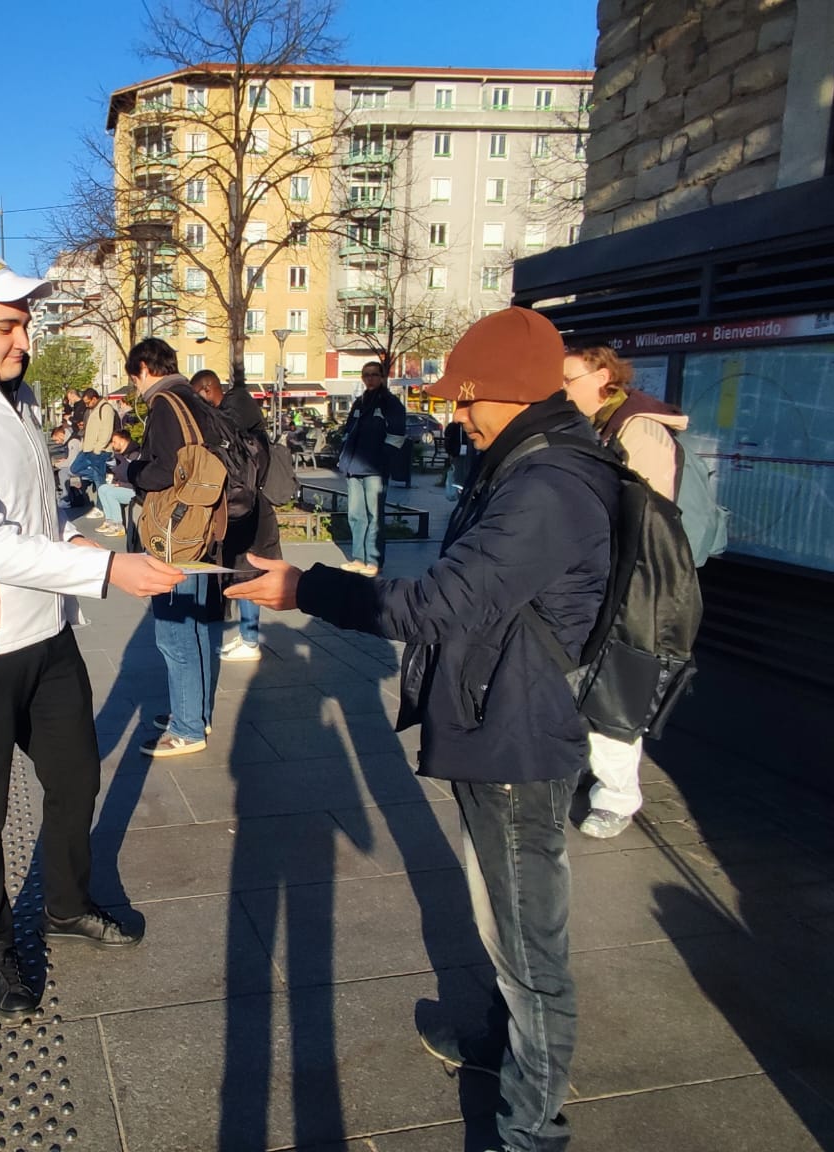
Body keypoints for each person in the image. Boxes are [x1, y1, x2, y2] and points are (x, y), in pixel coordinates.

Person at [229, 307, 615, 1152]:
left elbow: (440, 605)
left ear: (502, 393)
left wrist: (308, 590)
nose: (454, 414)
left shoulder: (546, 485)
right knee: (500, 918)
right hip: (500, 716)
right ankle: (496, 1043)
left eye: (464, 399)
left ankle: (532, 1131)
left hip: (520, 734)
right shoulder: (526, 464)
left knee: (526, 943)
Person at [0, 251, 186, 1017]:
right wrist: (106, 573)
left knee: (76, 776)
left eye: (26, 324)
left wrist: (71, 539)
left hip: (43, 632)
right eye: (7, 326)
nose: (23, 341)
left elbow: (29, 511)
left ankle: (65, 905)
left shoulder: (15, 400)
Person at [561, 345, 690, 839]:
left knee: (618, 683)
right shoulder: (597, 426)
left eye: (569, 378)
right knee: (582, 678)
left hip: (636, 580)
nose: (563, 388)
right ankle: (585, 768)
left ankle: (617, 795)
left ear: (602, 376)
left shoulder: (639, 429)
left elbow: (650, 515)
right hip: (597, 573)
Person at [122, 342, 233, 756]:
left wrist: (131, 470)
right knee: (197, 626)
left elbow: (166, 470)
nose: (136, 386)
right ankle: (195, 712)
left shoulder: (165, 404)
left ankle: (186, 728)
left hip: (175, 532)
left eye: (135, 377)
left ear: (146, 368)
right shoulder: (192, 398)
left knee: (173, 633)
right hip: (200, 526)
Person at [198, 369, 276, 663]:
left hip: (253, 506)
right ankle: (247, 636)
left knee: (249, 570)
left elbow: (224, 429)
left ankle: (251, 641)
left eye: (200, 398)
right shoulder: (232, 408)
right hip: (244, 504)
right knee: (241, 569)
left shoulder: (238, 401)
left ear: (208, 389)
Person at [336, 360, 406, 575]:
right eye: (366, 375)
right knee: (356, 514)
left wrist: (383, 459)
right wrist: (343, 454)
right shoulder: (359, 402)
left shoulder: (390, 403)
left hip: (375, 468)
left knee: (375, 515)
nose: (370, 378)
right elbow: (349, 430)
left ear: (383, 377)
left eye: (374, 374)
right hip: (353, 467)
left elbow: (397, 436)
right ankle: (359, 558)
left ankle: (374, 561)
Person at [69, 388, 119, 510]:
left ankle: (100, 508)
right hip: (87, 448)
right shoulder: (93, 410)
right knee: (74, 468)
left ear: (94, 398)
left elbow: (106, 431)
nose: (86, 405)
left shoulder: (105, 408)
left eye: (88, 402)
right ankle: (104, 476)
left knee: (99, 482)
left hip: (99, 450)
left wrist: (98, 448)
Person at [92, 428, 139, 539]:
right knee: (103, 488)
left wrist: (121, 484)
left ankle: (119, 526)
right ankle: (109, 521)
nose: (112, 445)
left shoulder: (135, 454)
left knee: (111, 493)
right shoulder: (121, 455)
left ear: (123, 440)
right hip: (125, 486)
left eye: (114, 441)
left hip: (134, 490)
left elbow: (134, 478)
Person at [443, 414, 472, 502]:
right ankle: (462, 495)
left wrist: (451, 453)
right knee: (462, 476)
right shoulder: (457, 427)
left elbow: (448, 439)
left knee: (459, 476)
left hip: (459, 454)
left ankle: (460, 494)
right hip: (463, 454)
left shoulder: (454, 426)